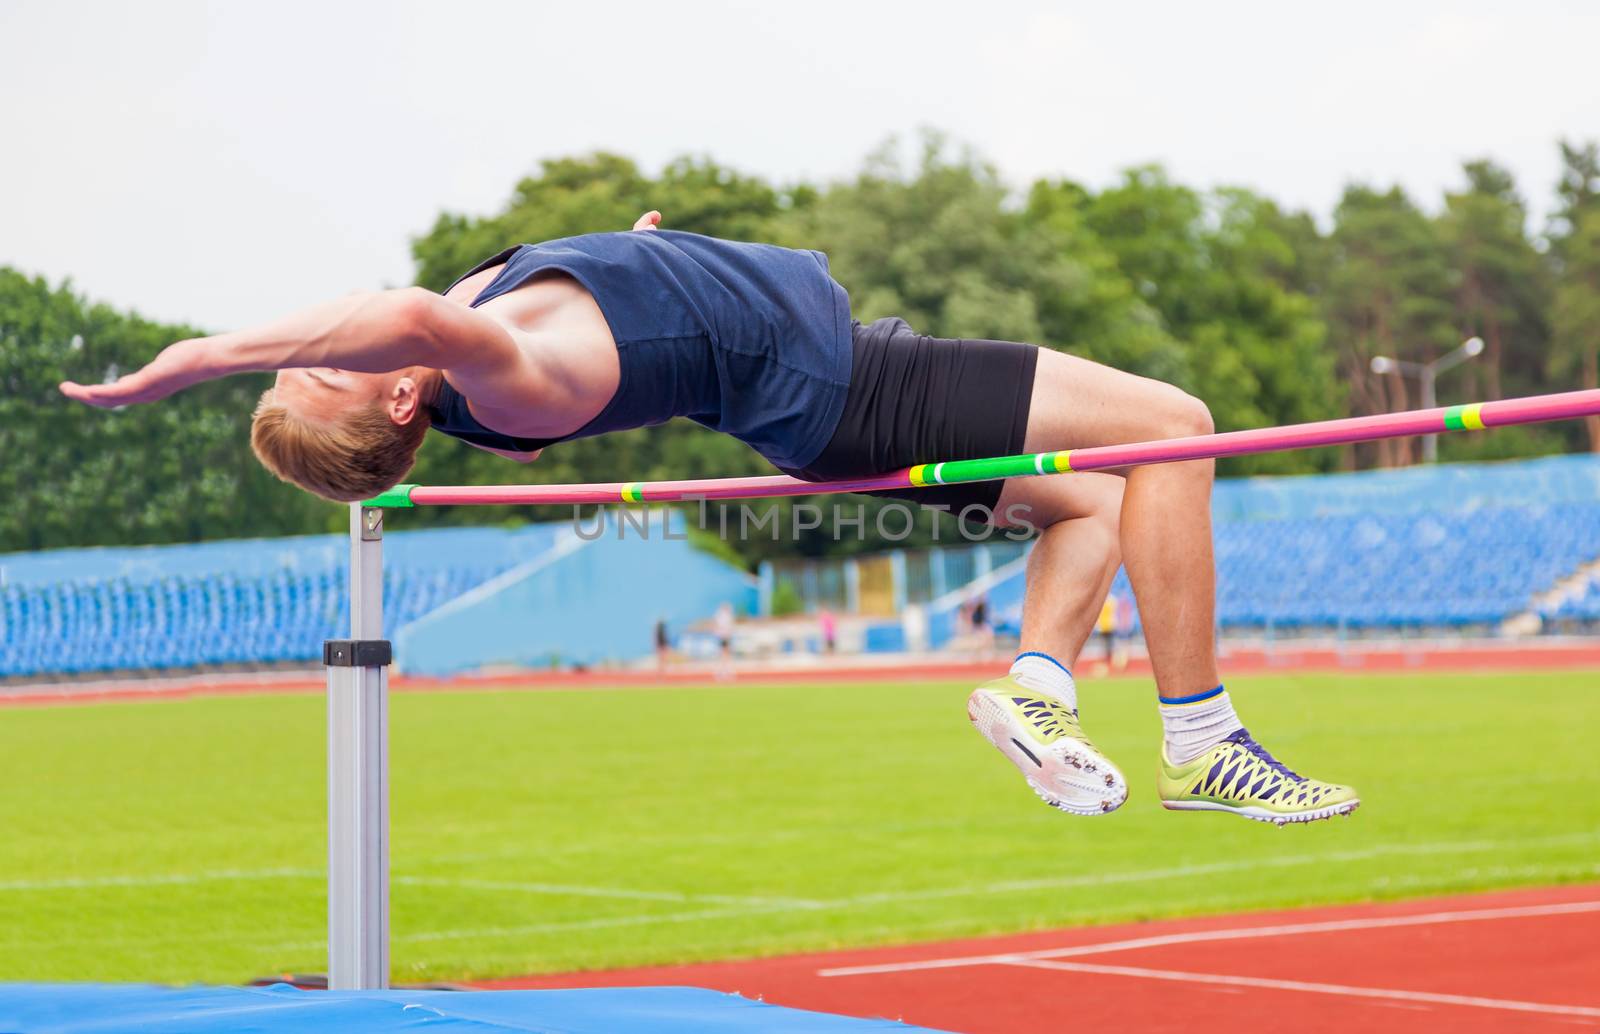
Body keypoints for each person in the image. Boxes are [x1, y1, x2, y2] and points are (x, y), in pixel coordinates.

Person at [61, 211, 1356, 824]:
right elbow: (396, 307)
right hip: (851, 390)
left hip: (828, 393)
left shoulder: (485, 328)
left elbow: (522, 300)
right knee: (1181, 425)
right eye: (315, 368)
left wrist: (638, 254)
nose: (314, 342)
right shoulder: (491, 369)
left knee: (1095, 503)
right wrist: (202, 353)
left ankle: (1034, 689)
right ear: (400, 385)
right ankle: (1205, 739)